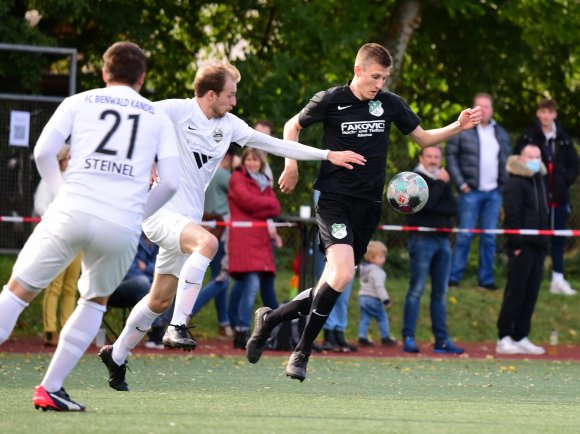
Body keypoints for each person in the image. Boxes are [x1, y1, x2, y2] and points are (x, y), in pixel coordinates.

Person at [100, 60, 366, 391]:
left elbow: (276, 145)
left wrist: (327, 155)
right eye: (230, 95)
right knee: (207, 244)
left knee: (159, 299)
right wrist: (146, 159)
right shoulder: (175, 110)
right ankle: (178, 326)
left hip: (187, 219)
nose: (234, 102)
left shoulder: (228, 124)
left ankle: (117, 355)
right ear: (210, 94)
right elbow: (132, 119)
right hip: (160, 213)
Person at [245, 42, 482, 382]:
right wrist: (291, 164)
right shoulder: (331, 99)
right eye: (374, 77)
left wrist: (458, 126)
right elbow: (291, 126)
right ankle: (301, 352)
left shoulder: (389, 103)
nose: (379, 84)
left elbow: (425, 139)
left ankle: (270, 319)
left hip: (368, 207)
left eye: (384, 78)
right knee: (341, 275)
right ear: (358, 71)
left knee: (332, 281)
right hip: (333, 199)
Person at [0, 41, 181, 411]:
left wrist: (62, 192)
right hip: (120, 223)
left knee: (17, 292)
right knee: (94, 301)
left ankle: (52, 390)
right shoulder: (157, 116)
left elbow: (42, 152)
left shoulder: (79, 101)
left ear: (103, 73)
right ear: (142, 78)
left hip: (70, 211)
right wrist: (138, 212)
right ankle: (50, 388)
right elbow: (171, 182)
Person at [446, 92, 511, 291]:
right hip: (470, 192)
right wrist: (461, 184)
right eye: (479, 106)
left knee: (489, 237)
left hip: (493, 193)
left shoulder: (500, 132)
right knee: (465, 235)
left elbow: (506, 160)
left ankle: (486, 280)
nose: (483, 111)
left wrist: (502, 185)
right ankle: (454, 278)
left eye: (487, 107)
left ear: (492, 110)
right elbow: (451, 157)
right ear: (473, 108)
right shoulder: (463, 129)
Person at [402, 146, 464, 355]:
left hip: (443, 241)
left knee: (440, 293)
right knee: (416, 290)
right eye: (429, 156)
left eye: (437, 157)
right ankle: (408, 338)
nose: (433, 160)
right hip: (421, 240)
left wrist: (436, 197)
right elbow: (424, 205)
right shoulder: (414, 179)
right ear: (421, 157)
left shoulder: (442, 179)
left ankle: (442, 340)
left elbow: (453, 209)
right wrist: (439, 185)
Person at [514, 98, 579, 296]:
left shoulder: (564, 139)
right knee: (535, 238)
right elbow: (516, 160)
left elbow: (574, 164)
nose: (546, 116)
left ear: (555, 114)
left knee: (558, 238)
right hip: (535, 198)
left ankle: (557, 278)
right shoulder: (528, 136)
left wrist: (564, 181)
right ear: (538, 113)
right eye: (543, 111)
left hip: (559, 198)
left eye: (550, 112)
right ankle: (531, 276)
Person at [496, 144, 549, 355]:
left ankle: (520, 334)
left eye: (538, 156)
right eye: (531, 156)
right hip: (522, 246)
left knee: (531, 292)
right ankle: (504, 336)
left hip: (538, 246)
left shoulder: (539, 181)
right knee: (515, 292)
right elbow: (512, 215)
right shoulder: (515, 183)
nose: (535, 159)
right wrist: (515, 243)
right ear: (521, 158)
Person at [227, 147, 281, 348]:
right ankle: (242, 330)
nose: (251, 162)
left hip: (260, 239)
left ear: (261, 163)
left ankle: (274, 331)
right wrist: (263, 206)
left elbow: (275, 207)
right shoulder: (237, 179)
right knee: (250, 285)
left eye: (255, 160)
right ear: (243, 161)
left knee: (261, 286)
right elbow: (247, 201)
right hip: (243, 239)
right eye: (248, 159)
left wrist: (261, 207)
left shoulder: (264, 181)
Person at [33, 144, 81, 347]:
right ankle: (50, 330)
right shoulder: (50, 180)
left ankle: (67, 331)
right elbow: (40, 206)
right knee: (55, 285)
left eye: (73, 157)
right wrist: (57, 219)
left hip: (77, 238)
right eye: (68, 157)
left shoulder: (79, 182)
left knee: (71, 286)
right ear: (60, 160)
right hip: (58, 238)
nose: (70, 161)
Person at [189, 145, 238, 338]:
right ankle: (188, 310)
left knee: (217, 275)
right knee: (221, 278)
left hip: (204, 227)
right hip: (219, 229)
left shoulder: (206, 171)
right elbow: (241, 186)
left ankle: (223, 323)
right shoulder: (224, 174)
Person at [107, 232, 165, 349]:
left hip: (145, 287)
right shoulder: (131, 239)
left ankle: (159, 332)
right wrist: (152, 275)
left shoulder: (158, 242)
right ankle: (157, 329)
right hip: (119, 288)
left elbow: (160, 268)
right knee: (143, 282)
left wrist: (146, 268)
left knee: (168, 285)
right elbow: (130, 270)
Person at [357, 240, 397, 347]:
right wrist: (385, 299)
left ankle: (362, 336)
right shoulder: (377, 271)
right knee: (382, 317)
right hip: (373, 298)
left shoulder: (364, 268)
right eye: (381, 256)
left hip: (363, 297)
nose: (384, 258)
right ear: (371, 258)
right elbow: (379, 286)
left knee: (365, 318)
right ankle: (385, 337)